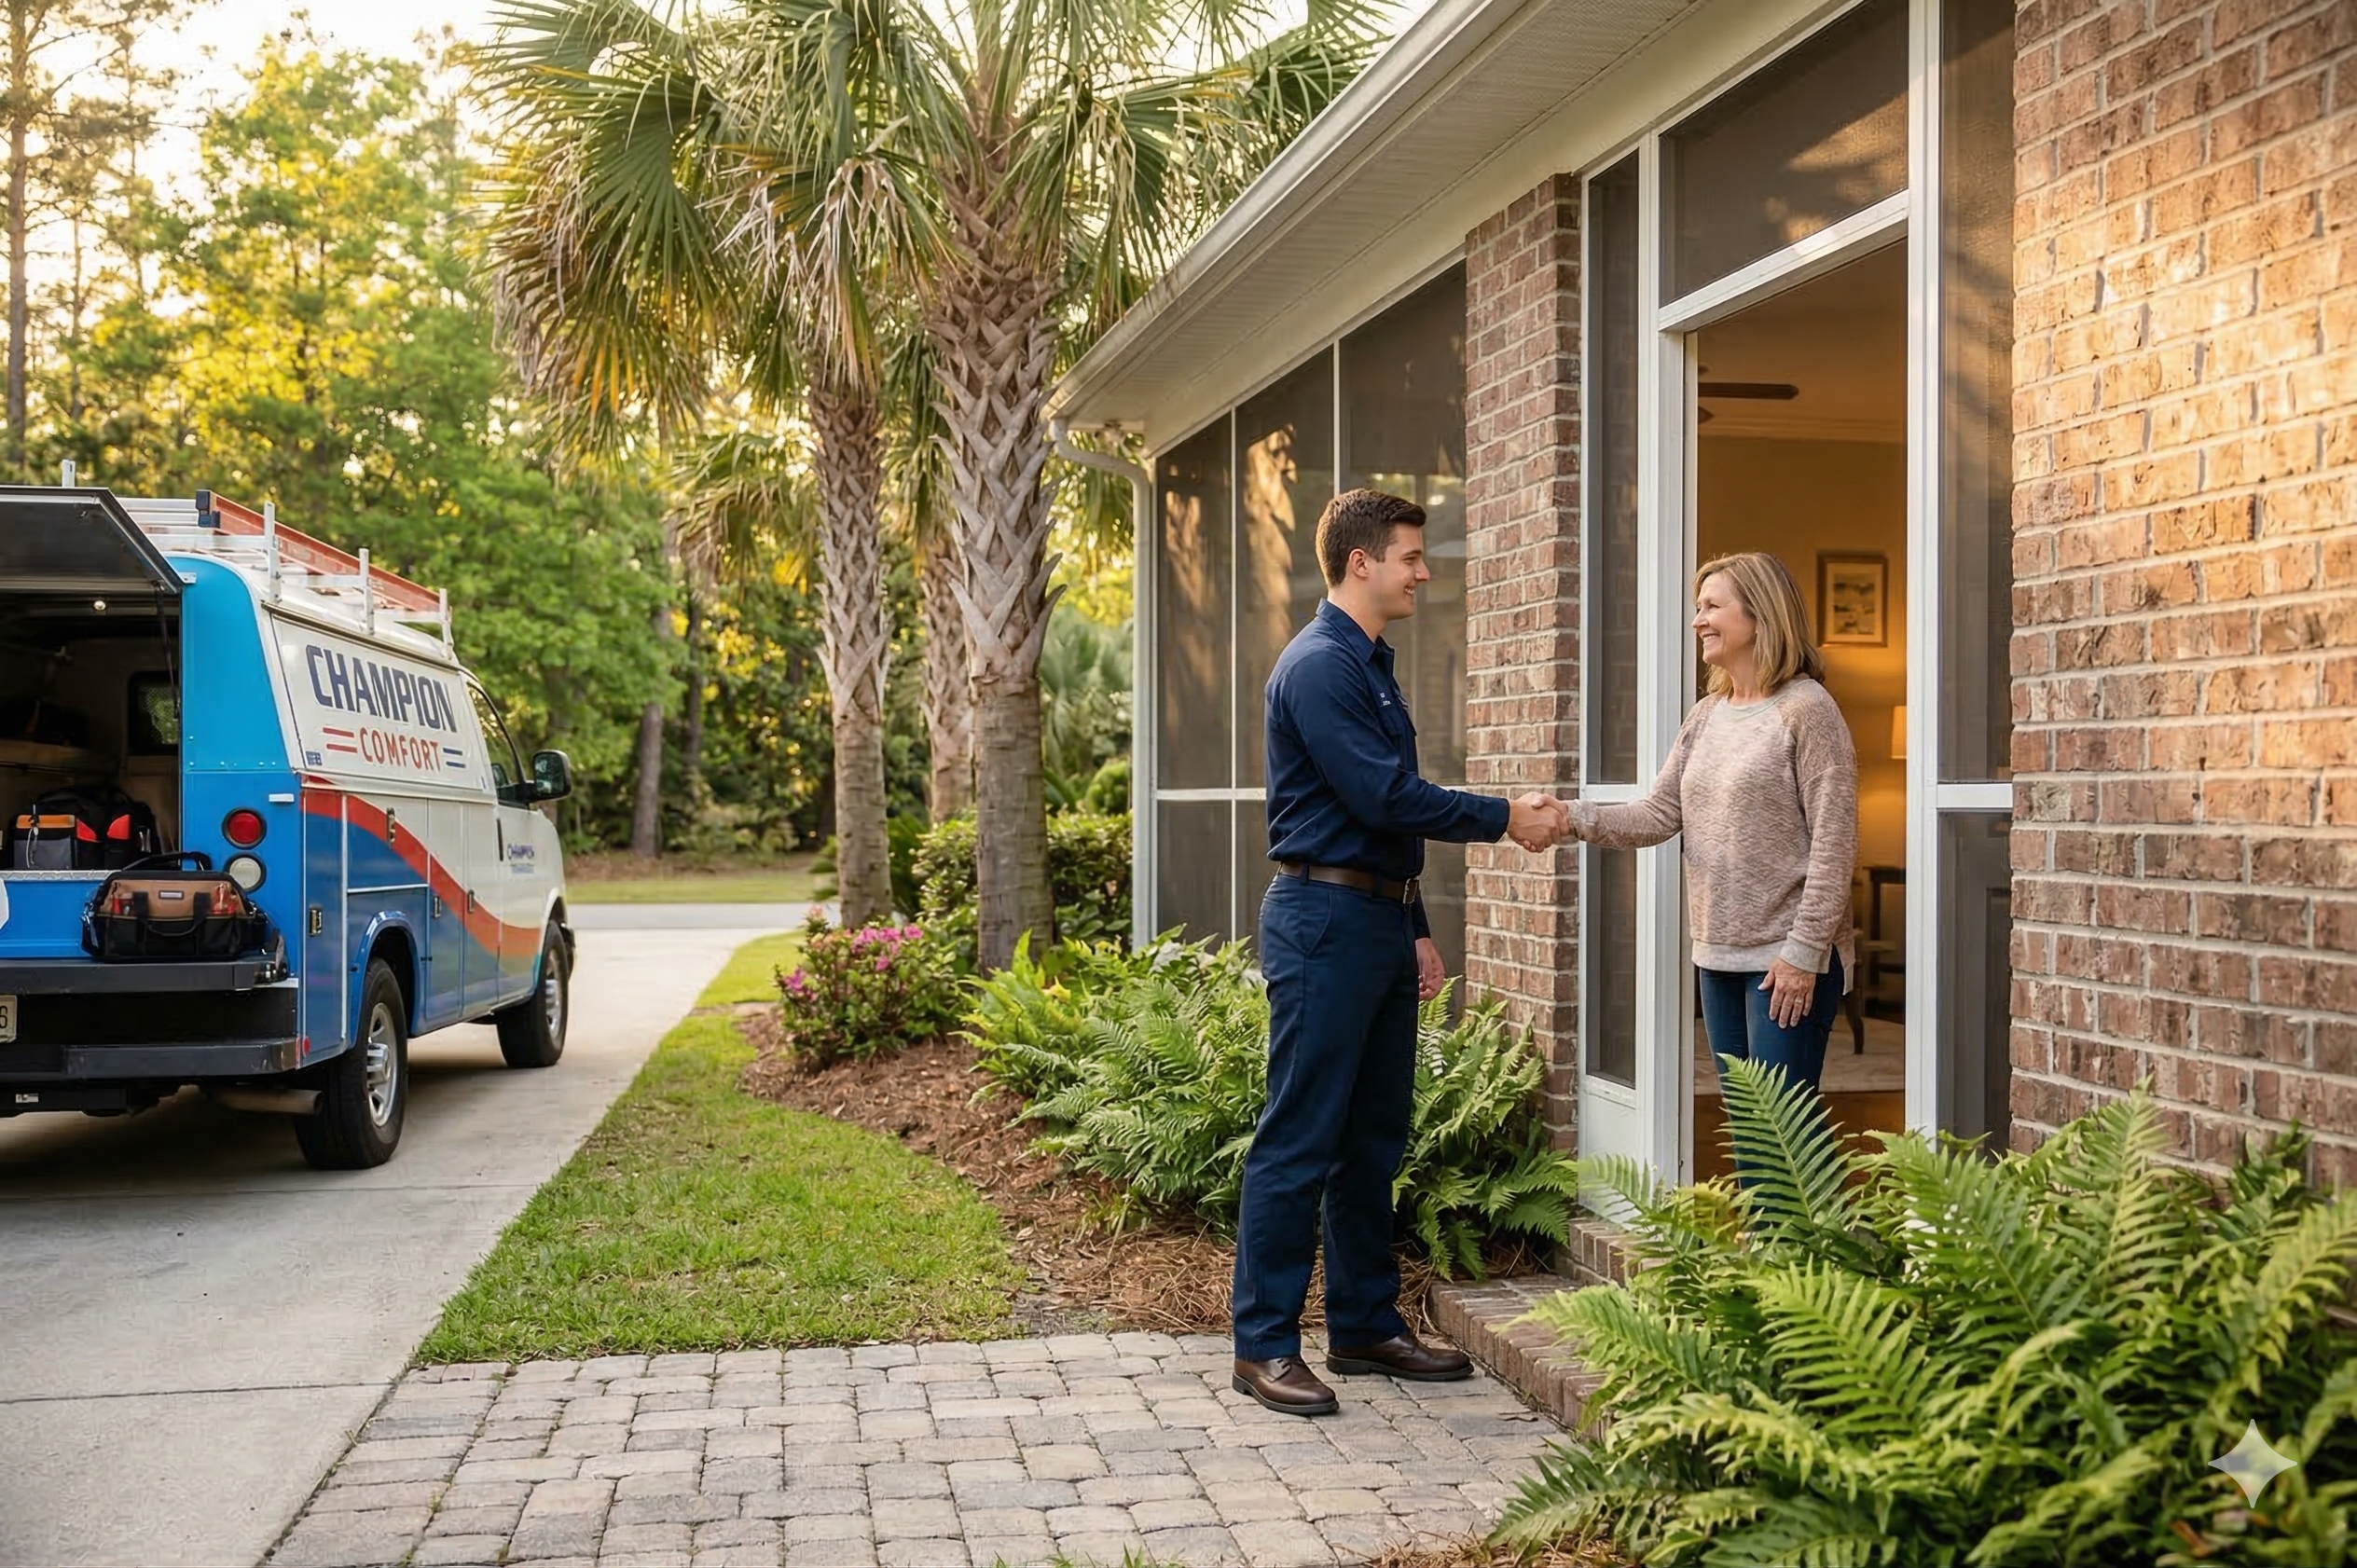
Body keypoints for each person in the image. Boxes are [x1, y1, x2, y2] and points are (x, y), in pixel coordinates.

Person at [1232, 487, 1567, 1418]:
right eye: (1412, 557)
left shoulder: (1370, 663)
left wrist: (1414, 923)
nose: (1424, 572)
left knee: (1372, 1138)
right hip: (1321, 921)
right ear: (1360, 562)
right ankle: (1260, 1344)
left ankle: (1363, 1326)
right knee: (1298, 1136)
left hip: (1375, 921)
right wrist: (1504, 816)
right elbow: (1385, 797)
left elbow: (1379, 817)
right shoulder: (1318, 667)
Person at [1562, 550, 1858, 1115]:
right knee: (1750, 1135)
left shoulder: (1807, 710)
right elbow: (1657, 814)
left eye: (1712, 606)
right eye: (1699, 607)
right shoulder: (1706, 715)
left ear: (1760, 615)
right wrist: (1567, 817)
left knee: (1783, 1143)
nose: (1698, 620)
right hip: (1717, 954)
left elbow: (1834, 845)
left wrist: (1802, 955)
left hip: (1786, 961)